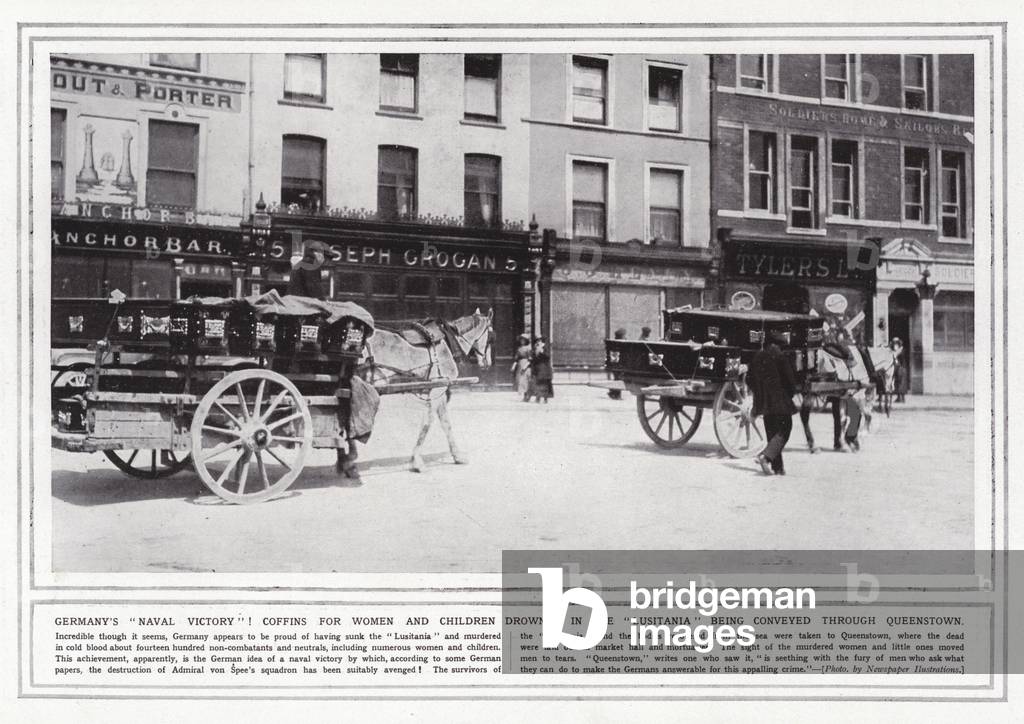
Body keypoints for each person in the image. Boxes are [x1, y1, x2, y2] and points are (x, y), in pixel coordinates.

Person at [748, 343, 800, 475]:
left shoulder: (757, 357)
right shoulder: (780, 355)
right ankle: (765, 457)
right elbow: (789, 380)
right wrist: (791, 393)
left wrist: (759, 393)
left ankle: (778, 468)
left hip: (764, 401)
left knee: (772, 433)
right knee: (785, 429)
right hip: (779, 399)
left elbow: (749, 379)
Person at [527, 337, 554, 403]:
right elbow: (533, 359)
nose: (538, 342)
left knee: (544, 384)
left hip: (544, 369)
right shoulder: (535, 349)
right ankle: (538, 397)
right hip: (537, 369)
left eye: (540, 341)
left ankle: (545, 398)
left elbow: (547, 357)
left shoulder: (545, 348)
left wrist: (541, 353)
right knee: (537, 383)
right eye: (537, 341)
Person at [608, 328, 627, 400]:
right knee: (618, 379)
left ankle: (613, 393)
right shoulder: (618, 344)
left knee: (617, 379)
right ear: (620, 336)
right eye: (624, 336)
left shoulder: (615, 343)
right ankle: (616, 394)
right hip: (618, 365)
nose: (625, 337)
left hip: (617, 365)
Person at [512, 334, 533, 401]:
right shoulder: (519, 348)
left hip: (526, 365)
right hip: (520, 365)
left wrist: (526, 365)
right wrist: (514, 365)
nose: (522, 341)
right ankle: (524, 395)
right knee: (520, 381)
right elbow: (516, 358)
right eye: (521, 340)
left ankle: (527, 396)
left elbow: (530, 358)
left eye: (523, 340)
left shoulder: (529, 348)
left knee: (526, 381)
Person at [890, 337, 908, 403]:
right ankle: (900, 398)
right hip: (902, 368)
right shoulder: (902, 350)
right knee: (900, 383)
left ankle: (901, 398)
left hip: (900, 368)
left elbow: (897, 358)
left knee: (900, 383)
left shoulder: (899, 350)